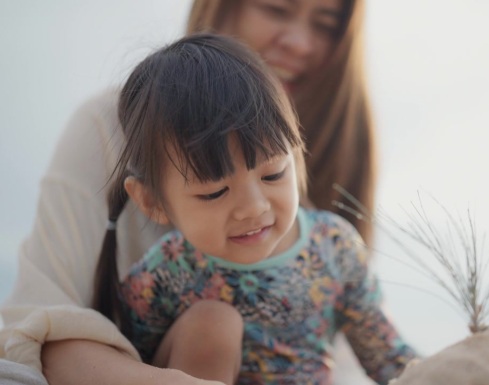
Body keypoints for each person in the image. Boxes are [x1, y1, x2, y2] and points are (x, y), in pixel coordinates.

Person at [0, 0, 377, 384]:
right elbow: (42, 327)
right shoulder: (108, 128)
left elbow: (364, 349)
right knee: (214, 323)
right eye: (276, 9)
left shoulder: (330, 227)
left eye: (327, 24)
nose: (299, 43)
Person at [99, 33, 415, 385]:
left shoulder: (333, 245)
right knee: (213, 323)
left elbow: (387, 358)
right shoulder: (166, 274)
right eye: (215, 192)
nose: (253, 207)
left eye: (273, 174)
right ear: (152, 202)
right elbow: (120, 362)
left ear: (295, 154)